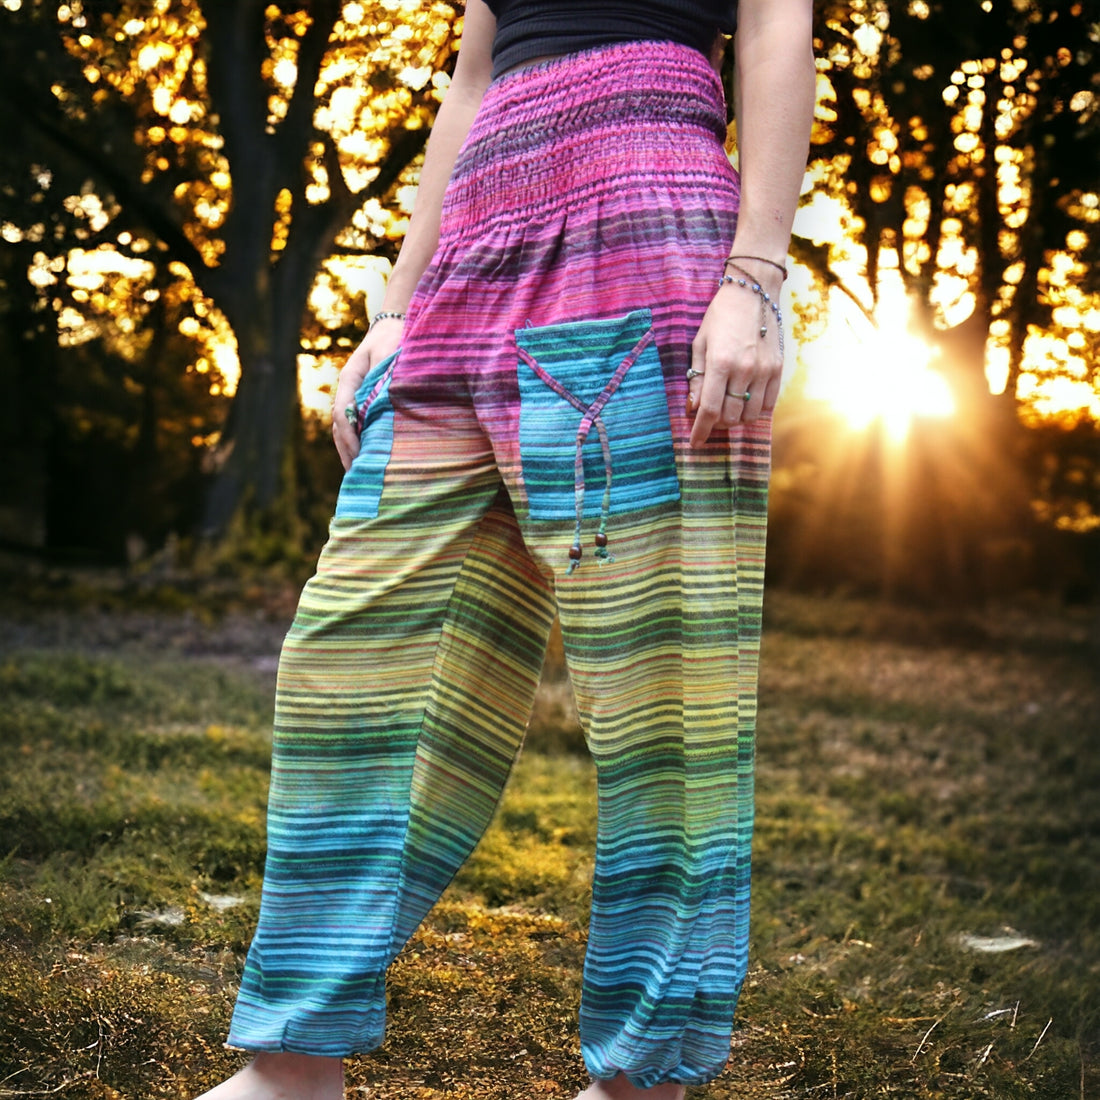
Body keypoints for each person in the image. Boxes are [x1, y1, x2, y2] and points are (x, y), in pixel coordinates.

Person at [196, 0, 814, 1097]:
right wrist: (391, 308)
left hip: (646, 219)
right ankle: (292, 1061)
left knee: (661, 689)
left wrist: (756, 272)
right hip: (469, 253)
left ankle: (642, 1078)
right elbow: (471, 76)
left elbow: (772, 29)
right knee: (348, 654)